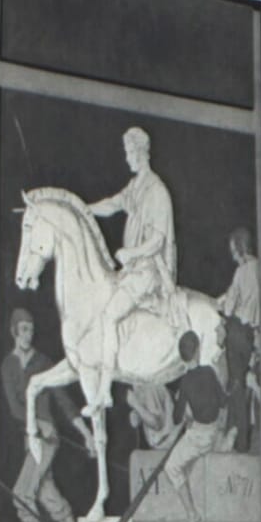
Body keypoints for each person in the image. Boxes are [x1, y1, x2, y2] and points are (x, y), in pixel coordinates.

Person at [0, 307, 88, 522]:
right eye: (23, 329)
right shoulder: (8, 366)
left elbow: (62, 400)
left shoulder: (44, 362)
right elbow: (15, 408)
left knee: (23, 494)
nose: (28, 334)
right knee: (51, 500)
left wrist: (85, 433)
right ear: (14, 332)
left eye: (31, 330)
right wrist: (33, 426)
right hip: (32, 439)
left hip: (47, 438)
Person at [88, 126, 182, 371]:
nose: (127, 157)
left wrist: (131, 253)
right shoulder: (135, 187)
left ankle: (105, 387)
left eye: (129, 152)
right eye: (127, 152)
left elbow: (157, 242)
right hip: (133, 270)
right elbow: (112, 204)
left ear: (141, 153)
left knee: (109, 316)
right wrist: (83, 209)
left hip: (149, 272)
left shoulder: (157, 191)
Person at [156, 330, 228, 522]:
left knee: (171, 467)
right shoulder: (208, 371)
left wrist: (181, 400)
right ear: (198, 350)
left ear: (182, 357)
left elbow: (178, 418)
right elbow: (223, 402)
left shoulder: (186, 382)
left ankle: (191, 514)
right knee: (184, 447)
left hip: (201, 437)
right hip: (213, 429)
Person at [216, 227, 261, 452]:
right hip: (253, 334)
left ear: (239, 248)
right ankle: (240, 436)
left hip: (237, 332)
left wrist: (221, 304)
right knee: (245, 386)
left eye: (233, 249)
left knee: (235, 386)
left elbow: (229, 306)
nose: (232, 254)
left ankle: (239, 441)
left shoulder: (241, 272)